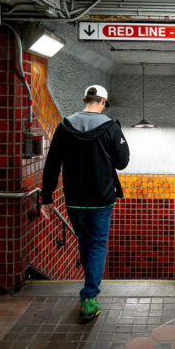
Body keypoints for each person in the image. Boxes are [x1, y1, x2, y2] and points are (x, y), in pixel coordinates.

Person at [40, 85, 130, 321]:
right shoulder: (110, 127)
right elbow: (122, 162)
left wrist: (47, 198)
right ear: (103, 102)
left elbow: (52, 164)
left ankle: (89, 285)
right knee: (98, 244)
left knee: (85, 240)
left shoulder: (64, 126)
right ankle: (89, 297)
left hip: (75, 199)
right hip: (101, 199)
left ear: (84, 100)